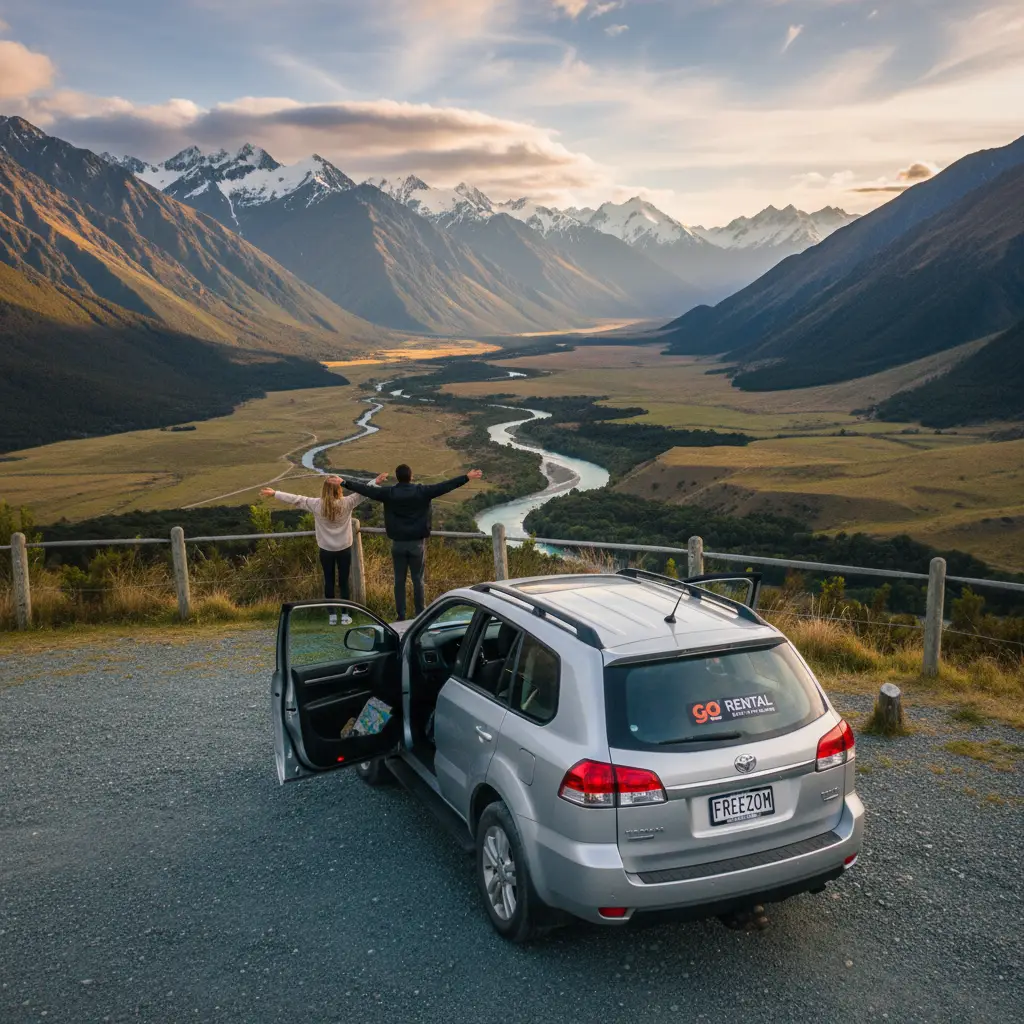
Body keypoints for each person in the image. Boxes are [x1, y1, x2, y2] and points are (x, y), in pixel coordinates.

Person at [340, 464, 483, 620]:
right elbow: (445, 486)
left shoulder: (389, 493)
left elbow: (366, 490)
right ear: (411, 476)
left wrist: (344, 483)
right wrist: (467, 477)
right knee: (417, 580)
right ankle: (420, 614)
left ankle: (400, 615)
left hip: (398, 544)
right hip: (416, 544)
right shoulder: (422, 491)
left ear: (397, 477)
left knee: (399, 581)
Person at [260, 476, 364, 625]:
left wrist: (275, 493)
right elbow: (364, 493)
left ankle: (332, 615)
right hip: (344, 548)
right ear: (339, 488)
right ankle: (345, 614)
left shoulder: (316, 504)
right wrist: (376, 482)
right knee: (343, 582)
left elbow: (296, 499)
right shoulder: (347, 503)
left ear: (324, 489)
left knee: (328, 581)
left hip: (326, 549)